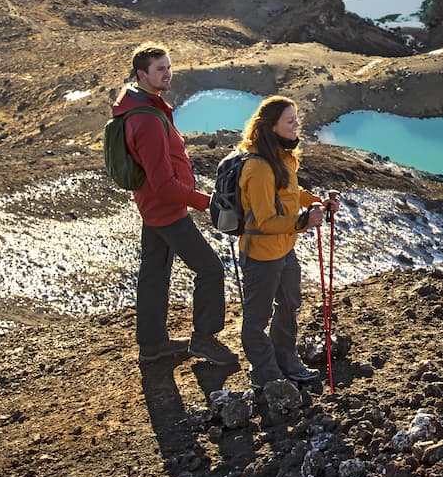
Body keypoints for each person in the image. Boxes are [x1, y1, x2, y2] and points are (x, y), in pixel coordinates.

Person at [116, 43, 236, 368]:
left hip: (154, 208)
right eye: (160, 69)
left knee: (154, 274)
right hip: (166, 210)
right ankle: (204, 339)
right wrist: (207, 203)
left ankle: (152, 346)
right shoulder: (148, 121)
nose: (167, 74)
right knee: (210, 269)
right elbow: (163, 183)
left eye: (169, 67)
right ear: (142, 74)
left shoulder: (145, 107)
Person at [234, 95, 331, 389]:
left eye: (296, 118)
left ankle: (286, 360)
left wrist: (318, 202)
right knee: (257, 317)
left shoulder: (282, 157)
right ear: (272, 127)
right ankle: (265, 373)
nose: (297, 125)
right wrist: (303, 222)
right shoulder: (259, 168)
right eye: (290, 121)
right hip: (262, 254)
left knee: (289, 304)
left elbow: (291, 191)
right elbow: (264, 221)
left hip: (284, 249)